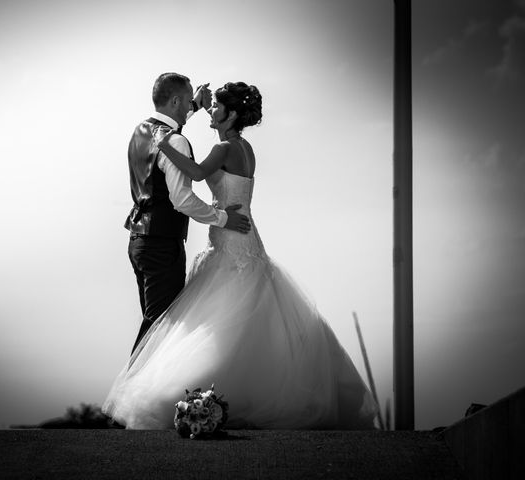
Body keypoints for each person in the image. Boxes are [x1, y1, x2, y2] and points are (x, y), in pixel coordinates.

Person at [102, 81, 378, 430]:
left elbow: (198, 174)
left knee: (221, 319)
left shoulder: (223, 149)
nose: (209, 111)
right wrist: (187, 117)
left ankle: (192, 394)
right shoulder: (244, 148)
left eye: (215, 106)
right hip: (244, 235)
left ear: (231, 114)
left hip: (229, 233)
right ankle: (228, 396)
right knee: (241, 317)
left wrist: (163, 147)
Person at [123, 73, 252, 355]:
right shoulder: (177, 142)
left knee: (155, 322)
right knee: (160, 326)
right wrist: (222, 218)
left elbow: (172, 120)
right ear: (177, 100)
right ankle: (134, 388)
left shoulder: (140, 131)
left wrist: (192, 106)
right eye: (188, 101)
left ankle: (139, 386)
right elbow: (182, 200)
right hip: (162, 243)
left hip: (138, 241)